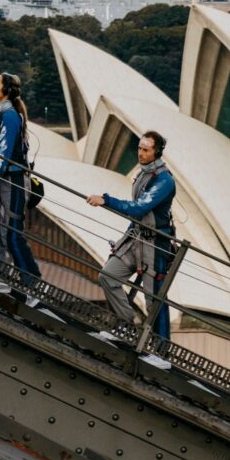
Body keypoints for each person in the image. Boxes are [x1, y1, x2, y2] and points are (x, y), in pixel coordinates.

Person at [87, 130, 176, 357]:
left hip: (155, 245)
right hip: (135, 238)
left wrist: (106, 200)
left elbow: (139, 208)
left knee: (154, 300)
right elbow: (139, 214)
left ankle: (162, 355)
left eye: (146, 150)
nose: (141, 153)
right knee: (108, 276)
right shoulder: (144, 173)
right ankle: (125, 327)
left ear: (157, 152)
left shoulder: (164, 180)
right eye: (139, 148)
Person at [0, 72, 42, 297]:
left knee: (13, 235)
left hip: (13, 182)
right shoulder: (0, 116)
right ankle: (1, 278)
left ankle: (33, 287)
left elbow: (2, 157)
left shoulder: (10, 117)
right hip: (0, 182)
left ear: (5, 90)